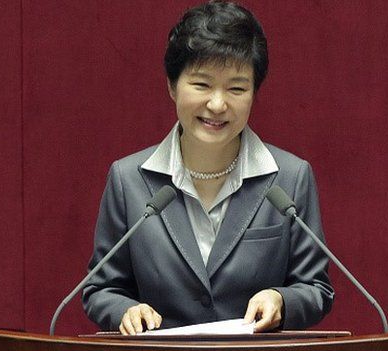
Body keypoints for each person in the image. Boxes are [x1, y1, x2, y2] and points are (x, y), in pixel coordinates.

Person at [82, 0, 334, 335]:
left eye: (236, 88)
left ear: (254, 93)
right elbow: (100, 289)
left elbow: (317, 288)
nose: (217, 104)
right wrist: (126, 310)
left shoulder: (290, 177)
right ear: (172, 86)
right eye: (201, 84)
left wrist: (281, 299)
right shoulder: (128, 179)